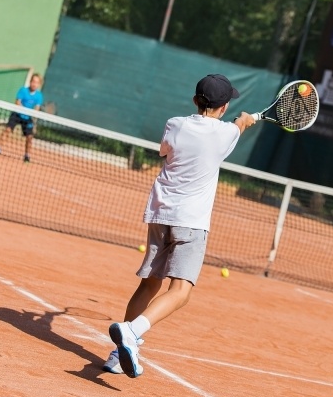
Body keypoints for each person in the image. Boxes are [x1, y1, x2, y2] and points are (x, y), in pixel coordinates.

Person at [104, 74, 256, 378]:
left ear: (195, 100)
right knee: (181, 291)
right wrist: (245, 121)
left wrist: (235, 124)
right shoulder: (226, 132)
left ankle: (117, 355)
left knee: (150, 283)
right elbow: (233, 131)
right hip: (191, 222)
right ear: (224, 107)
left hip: (160, 215)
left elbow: (165, 151)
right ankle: (131, 333)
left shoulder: (174, 124)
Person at [0, 73, 44, 162]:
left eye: (36, 82)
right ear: (30, 81)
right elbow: (17, 102)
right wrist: (23, 110)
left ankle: (27, 156)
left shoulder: (39, 96)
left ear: (39, 85)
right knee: (7, 130)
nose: (34, 84)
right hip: (17, 114)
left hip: (28, 118)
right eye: (33, 81)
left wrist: (32, 115)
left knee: (30, 137)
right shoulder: (23, 90)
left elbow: (37, 108)